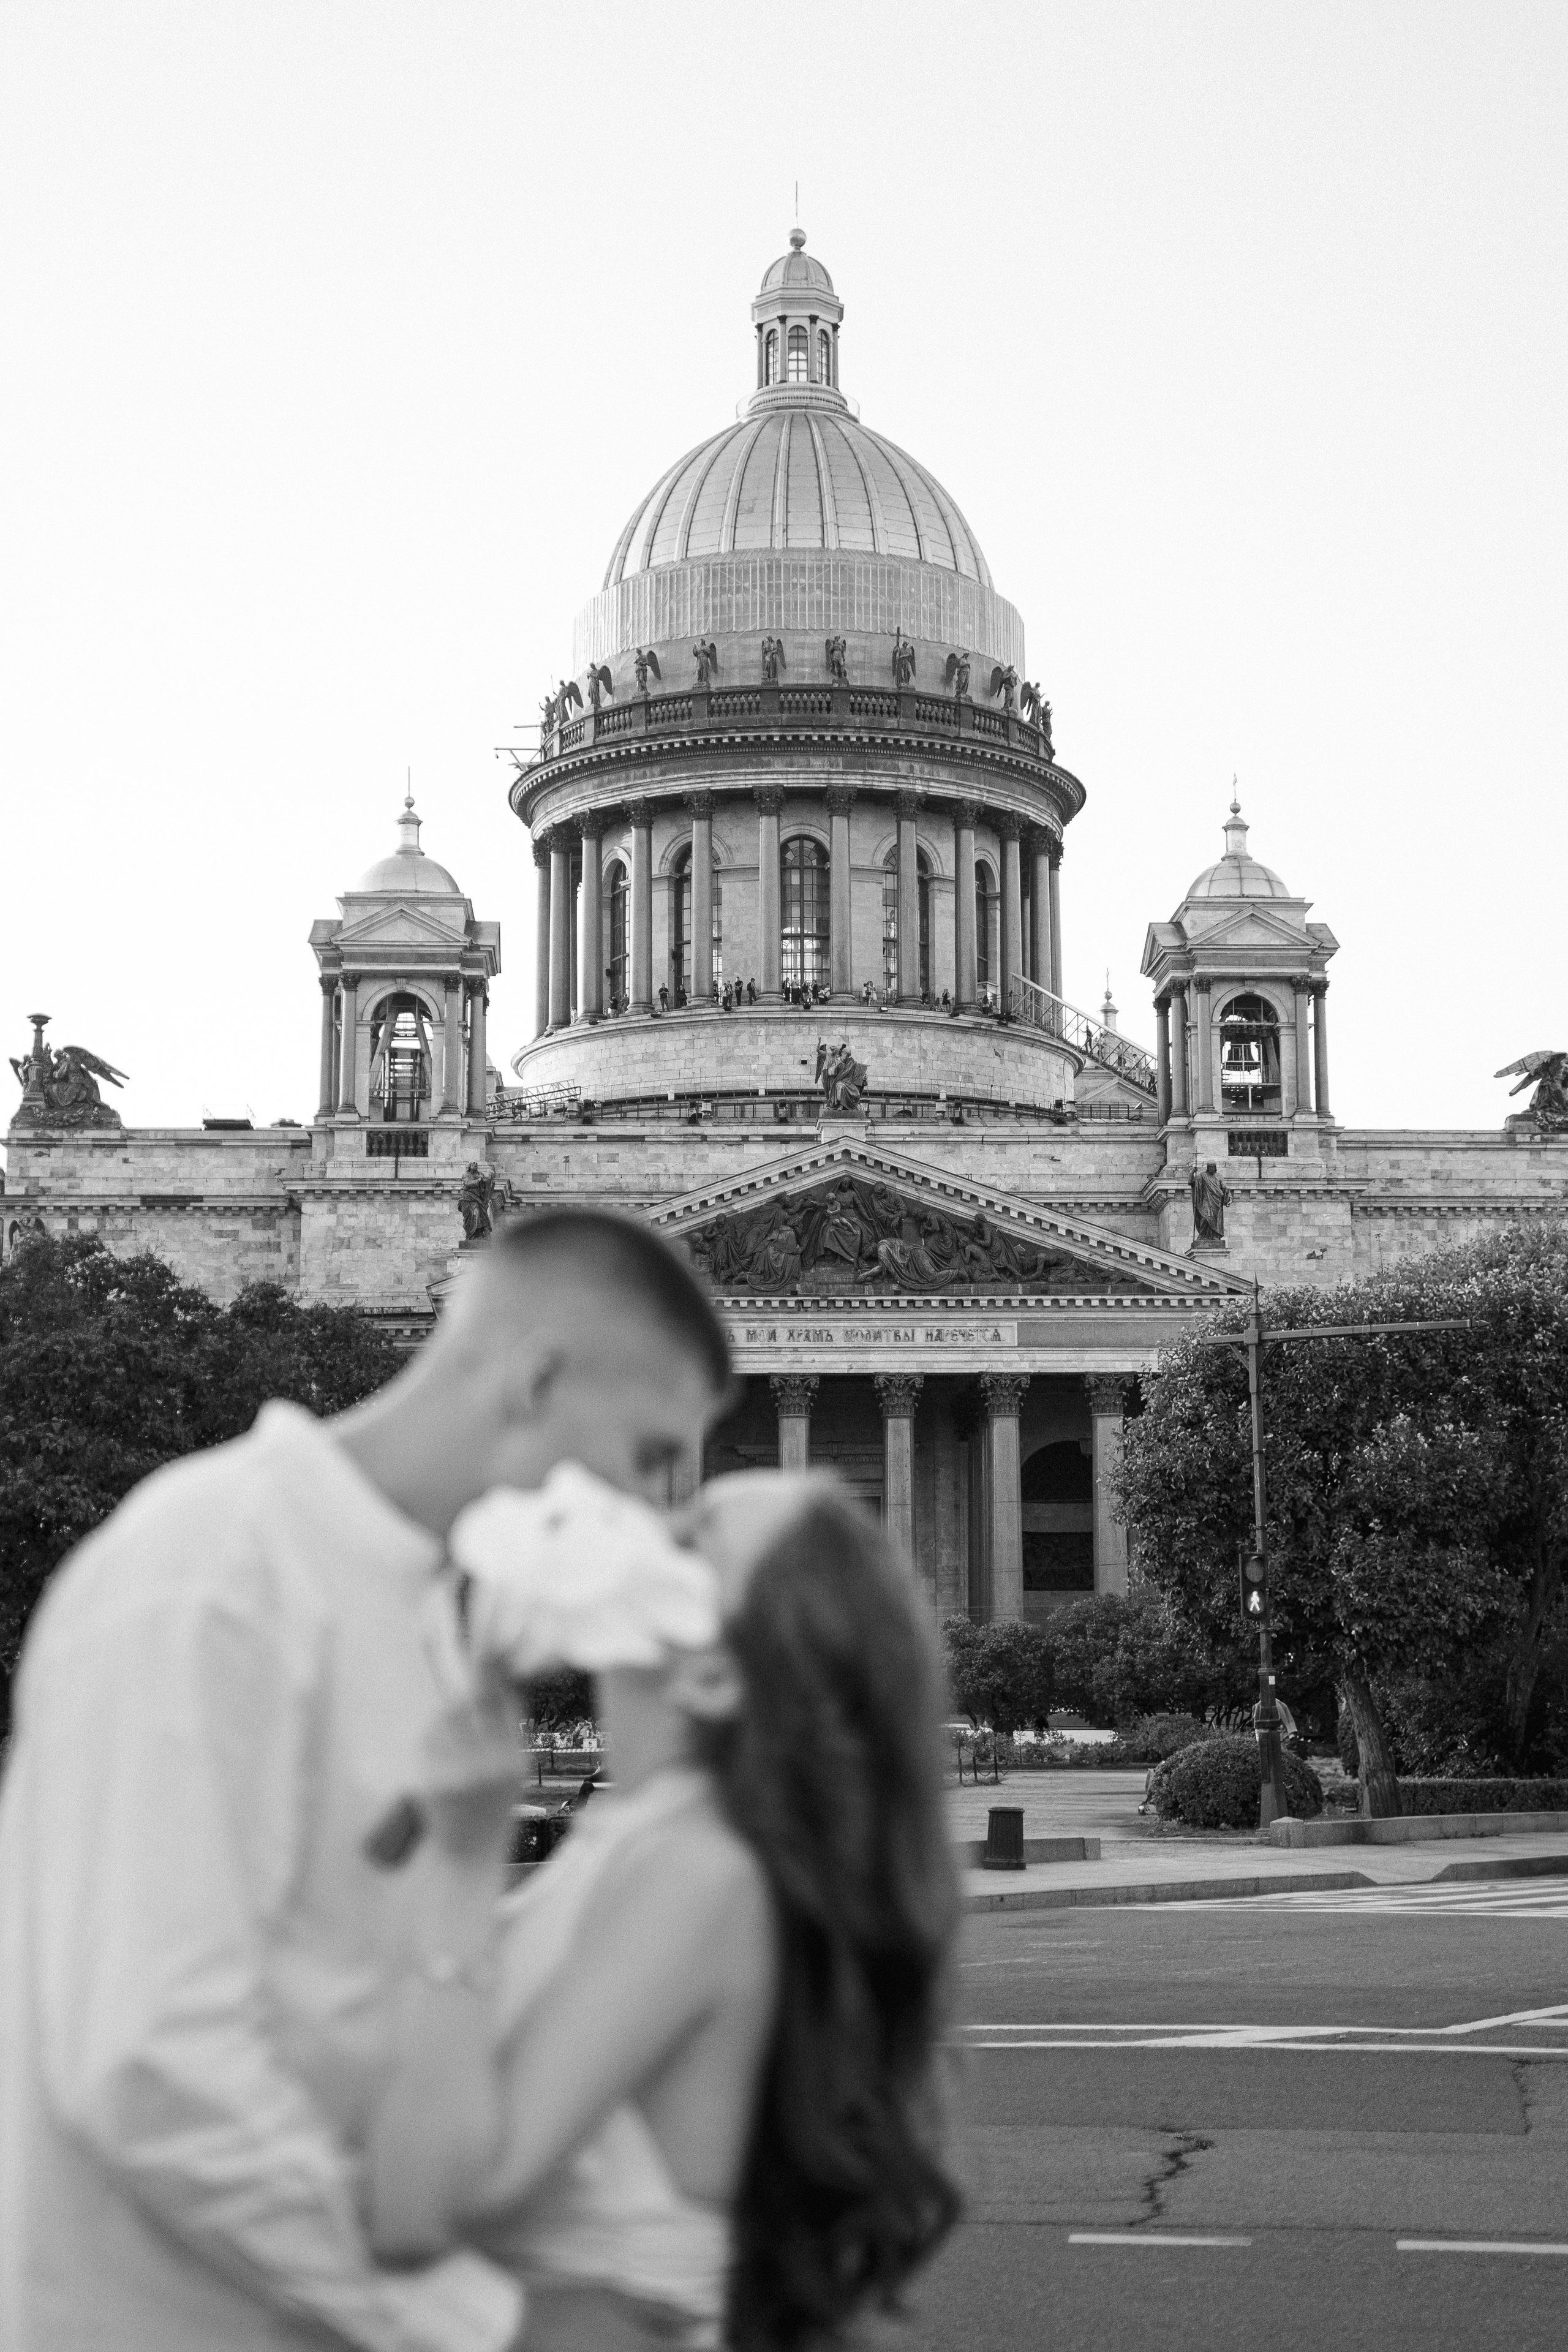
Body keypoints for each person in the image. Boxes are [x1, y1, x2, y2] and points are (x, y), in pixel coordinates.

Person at [0, 1210, 731, 2352]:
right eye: (647, 1457)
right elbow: (153, 2069)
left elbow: (369, 2026)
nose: (655, 1514)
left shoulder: (422, 1619)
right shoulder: (210, 1571)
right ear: (536, 1377)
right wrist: (489, 2326)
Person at [366, 1470, 961, 2352]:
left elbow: (425, 2208)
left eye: (686, 1543)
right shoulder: (633, 1836)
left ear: (715, 1677)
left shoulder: (699, 1873)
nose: (638, 1530)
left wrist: (462, 1864)